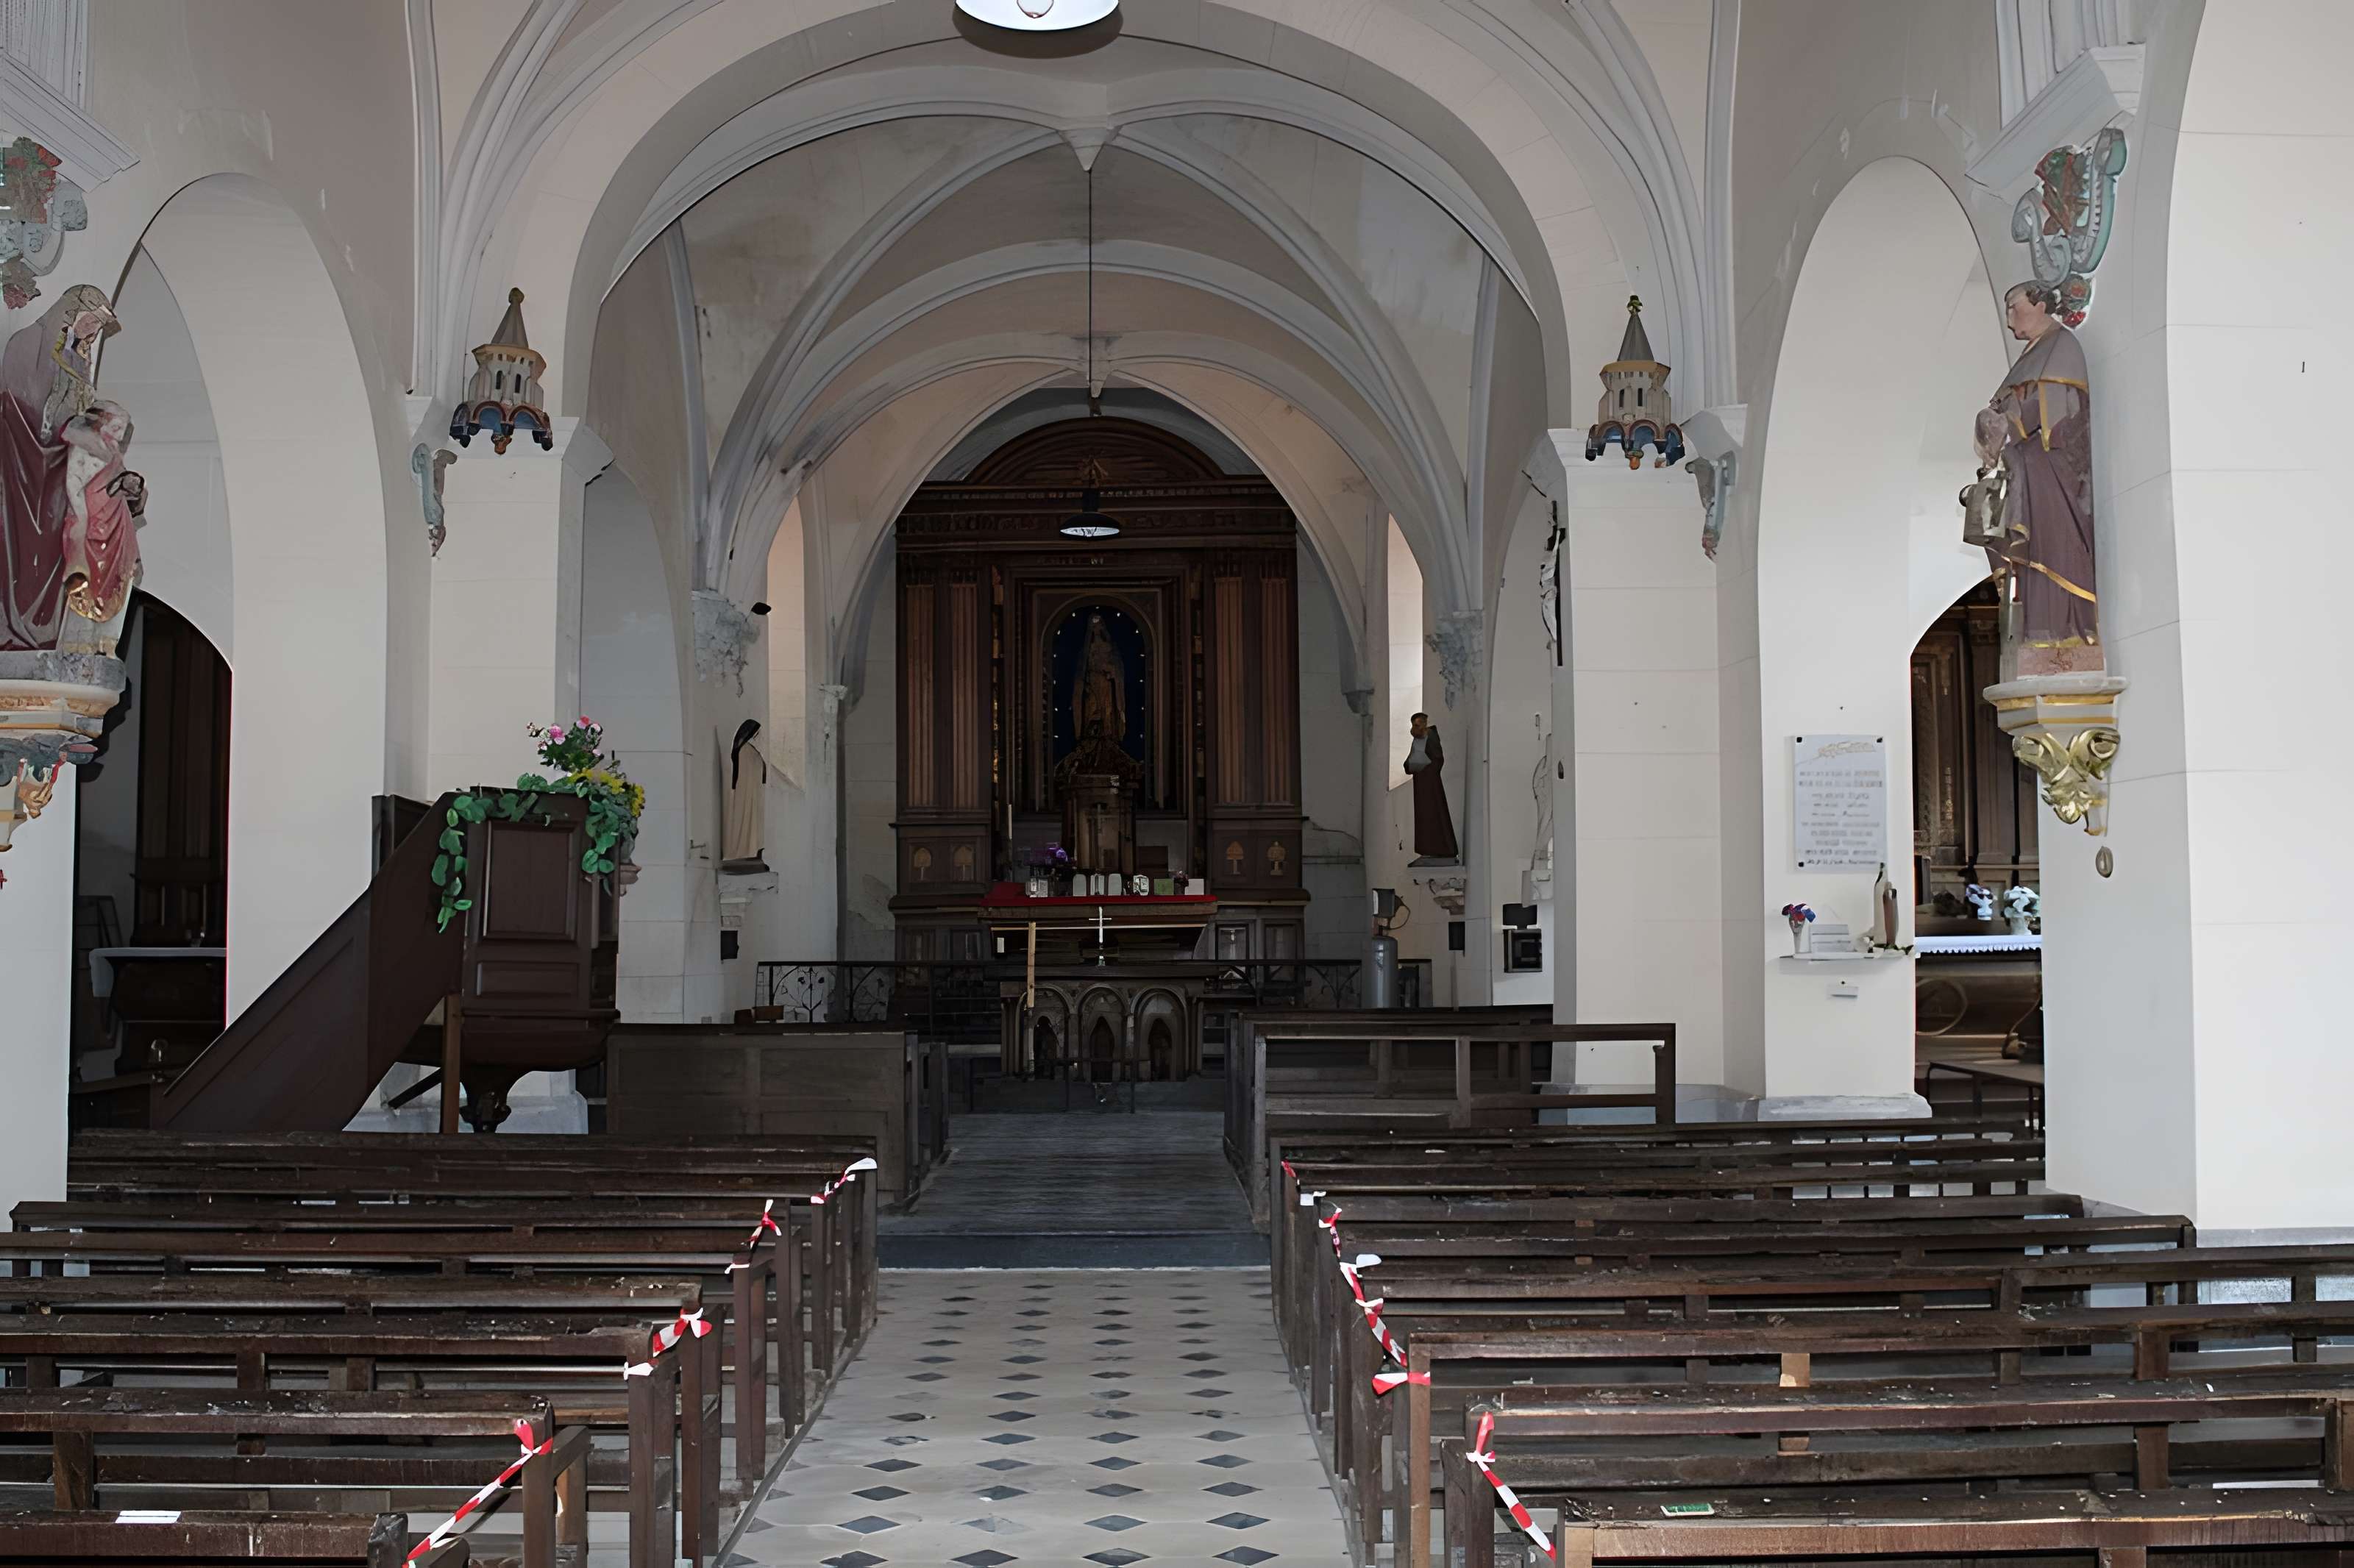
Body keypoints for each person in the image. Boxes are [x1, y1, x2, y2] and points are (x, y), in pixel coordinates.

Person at [1974, 280, 2099, 675]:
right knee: (2027, 555)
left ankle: (2065, 634)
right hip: (2027, 468)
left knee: (2052, 547)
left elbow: (2060, 414)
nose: (2010, 319)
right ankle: (2039, 634)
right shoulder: (2032, 356)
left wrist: (2008, 421)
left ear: (2042, 304)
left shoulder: (2062, 348)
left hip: (2052, 474)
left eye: (2016, 307)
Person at [1404, 710, 1458, 863]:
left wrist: (1426, 767)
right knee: (1423, 816)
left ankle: (1442, 848)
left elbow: (1438, 758)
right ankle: (1427, 848)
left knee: (1434, 813)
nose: (1415, 727)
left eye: (1418, 724)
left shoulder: (1430, 736)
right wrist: (1410, 765)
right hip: (1420, 782)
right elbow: (1411, 758)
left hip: (1430, 783)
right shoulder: (1417, 740)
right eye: (1413, 725)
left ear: (1424, 723)